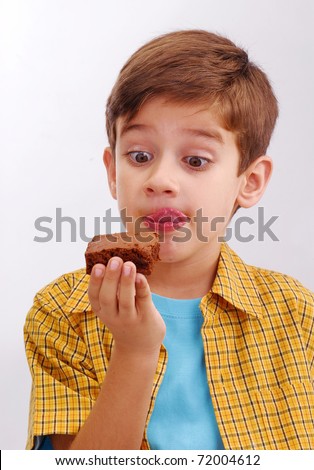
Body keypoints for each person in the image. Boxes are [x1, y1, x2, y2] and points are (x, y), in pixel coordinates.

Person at [24, 30, 314, 451]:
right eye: (140, 156)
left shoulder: (296, 315)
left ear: (249, 182)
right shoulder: (61, 314)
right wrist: (135, 351)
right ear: (112, 172)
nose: (160, 180)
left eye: (195, 160)